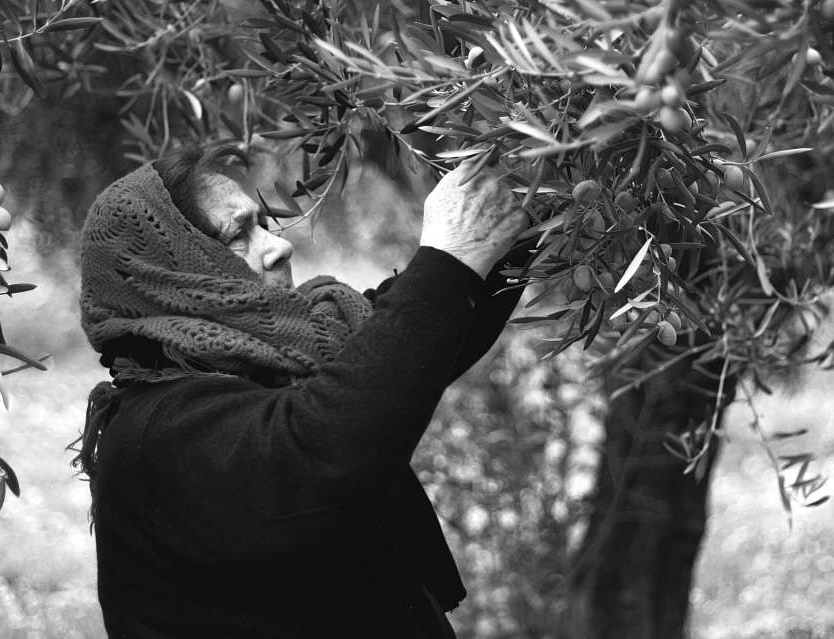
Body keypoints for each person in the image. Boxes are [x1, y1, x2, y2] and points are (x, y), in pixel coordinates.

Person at [73, 144, 530, 638]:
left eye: (262, 223)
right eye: (238, 235)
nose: (278, 245)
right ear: (170, 274)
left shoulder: (281, 362)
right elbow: (327, 445)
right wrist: (448, 258)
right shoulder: (159, 434)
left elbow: (409, 349)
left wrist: (524, 207)